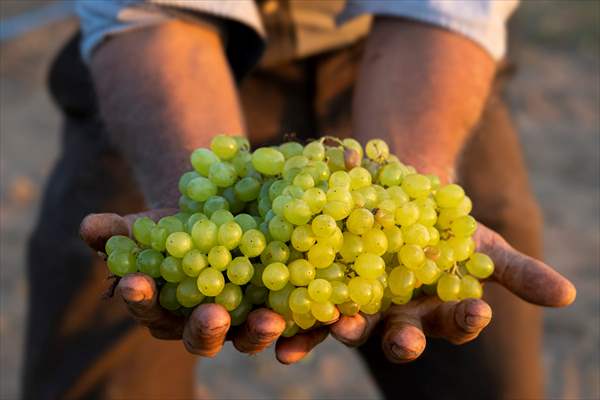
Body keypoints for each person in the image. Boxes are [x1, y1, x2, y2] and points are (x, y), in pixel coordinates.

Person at [23, 1, 576, 399]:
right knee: (102, 347)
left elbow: (441, 10)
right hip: (169, 60)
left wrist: (408, 195)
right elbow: (152, 15)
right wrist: (190, 199)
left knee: (485, 360)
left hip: (405, 62)